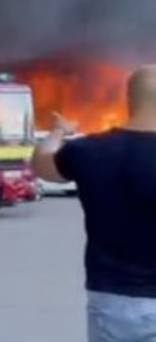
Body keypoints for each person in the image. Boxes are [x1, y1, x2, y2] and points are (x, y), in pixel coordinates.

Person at [31, 67, 156, 340]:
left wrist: (57, 131)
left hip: (109, 300)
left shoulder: (87, 150)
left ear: (129, 101)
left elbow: (42, 164)